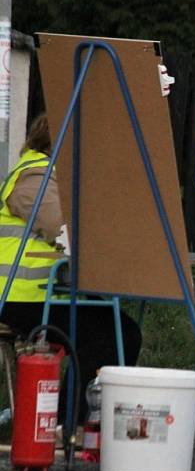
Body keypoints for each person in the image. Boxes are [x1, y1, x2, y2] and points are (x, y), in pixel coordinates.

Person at [0, 114, 142, 424]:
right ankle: (68, 423)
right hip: (20, 297)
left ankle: (77, 419)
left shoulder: (53, 176)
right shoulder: (35, 176)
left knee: (122, 330)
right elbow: (65, 229)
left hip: (47, 295)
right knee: (108, 335)